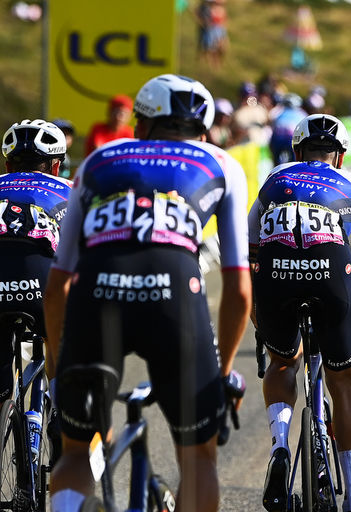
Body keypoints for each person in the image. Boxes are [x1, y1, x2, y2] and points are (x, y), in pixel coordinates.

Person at [44, 74, 252, 512]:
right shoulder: (220, 163)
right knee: (199, 459)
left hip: (96, 292)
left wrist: (55, 362)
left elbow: (60, 280)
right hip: (174, 293)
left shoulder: (99, 159)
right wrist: (224, 372)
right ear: (205, 130)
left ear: (140, 124)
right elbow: (238, 284)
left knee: (77, 452)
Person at [250, 114, 351, 512]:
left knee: (281, 362)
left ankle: (279, 447)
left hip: (275, 272)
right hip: (331, 273)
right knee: (344, 380)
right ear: (340, 157)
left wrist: (260, 308)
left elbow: (249, 244)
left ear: (296, 152)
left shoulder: (275, 176)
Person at [0, 120, 70, 402]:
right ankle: (61, 418)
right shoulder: (70, 188)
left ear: (7, 166)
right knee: (59, 341)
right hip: (41, 279)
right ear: (55, 166)